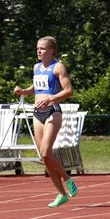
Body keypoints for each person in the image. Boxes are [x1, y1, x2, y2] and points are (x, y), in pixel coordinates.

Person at [14, 36, 78, 207]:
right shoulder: (36, 67)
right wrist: (23, 91)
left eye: (42, 48)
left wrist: (51, 98)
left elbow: (68, 91)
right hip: (37, 113)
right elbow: (36, 87)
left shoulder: (58, 67)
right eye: (37, 48)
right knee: (45, 157)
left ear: (51, 50)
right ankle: (61, 194)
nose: (38, 51)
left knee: (45, 152)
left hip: (52, 112)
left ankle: (67, 178)